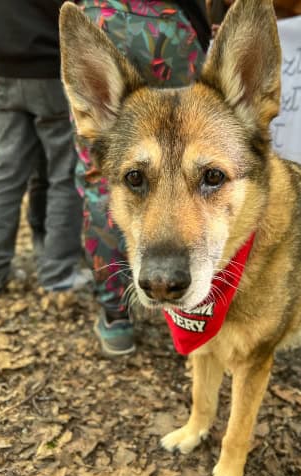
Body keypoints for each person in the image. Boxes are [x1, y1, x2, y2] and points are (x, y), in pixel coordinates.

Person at [74, 0, 210, 357]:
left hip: (101, 17)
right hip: (171, 25)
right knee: (192, 155)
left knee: (102, 176)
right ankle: (198, 316)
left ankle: (116, 316)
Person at [0, 0, 92, 298]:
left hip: (4, 71)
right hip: (51, 73)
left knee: (4, 175)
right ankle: (58, 274)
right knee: (64, 175)